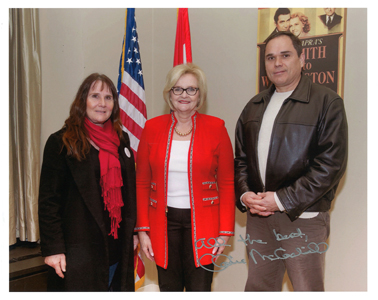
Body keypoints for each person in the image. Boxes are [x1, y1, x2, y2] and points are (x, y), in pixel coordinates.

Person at [235, 31, 348, 291]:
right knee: (258, 289)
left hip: (303, 218)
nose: (278, 63)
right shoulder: (253, 106)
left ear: (302, 58)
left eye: (285, 55)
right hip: (259, 218)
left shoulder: (327, 102)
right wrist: (244, 195)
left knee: (306, 289)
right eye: (270, 57)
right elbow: (240, 160)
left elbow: (330, 166)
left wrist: (281, 199)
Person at [135, 63, 235, 291]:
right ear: (169, 93)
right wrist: (143, 231)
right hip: (162, 223)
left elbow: (227, 183)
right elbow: (141, 183)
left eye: (191, 89)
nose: (184, 95)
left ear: (200, 95)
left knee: (200, 287)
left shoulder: (216, 128)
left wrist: (225, 232)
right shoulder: (152, 128)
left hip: (204, 223)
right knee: (168, 287)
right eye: (177, 89)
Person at [38, 73, 137, 291]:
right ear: (82, 101)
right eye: (95, 96)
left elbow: (130, 191)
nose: (102, 103)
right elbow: (48, 202)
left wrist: (135, 232)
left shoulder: (121, 140)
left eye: (108, 97)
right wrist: (53, 249)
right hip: (78, 251)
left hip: (117, 249)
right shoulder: (61, 143)